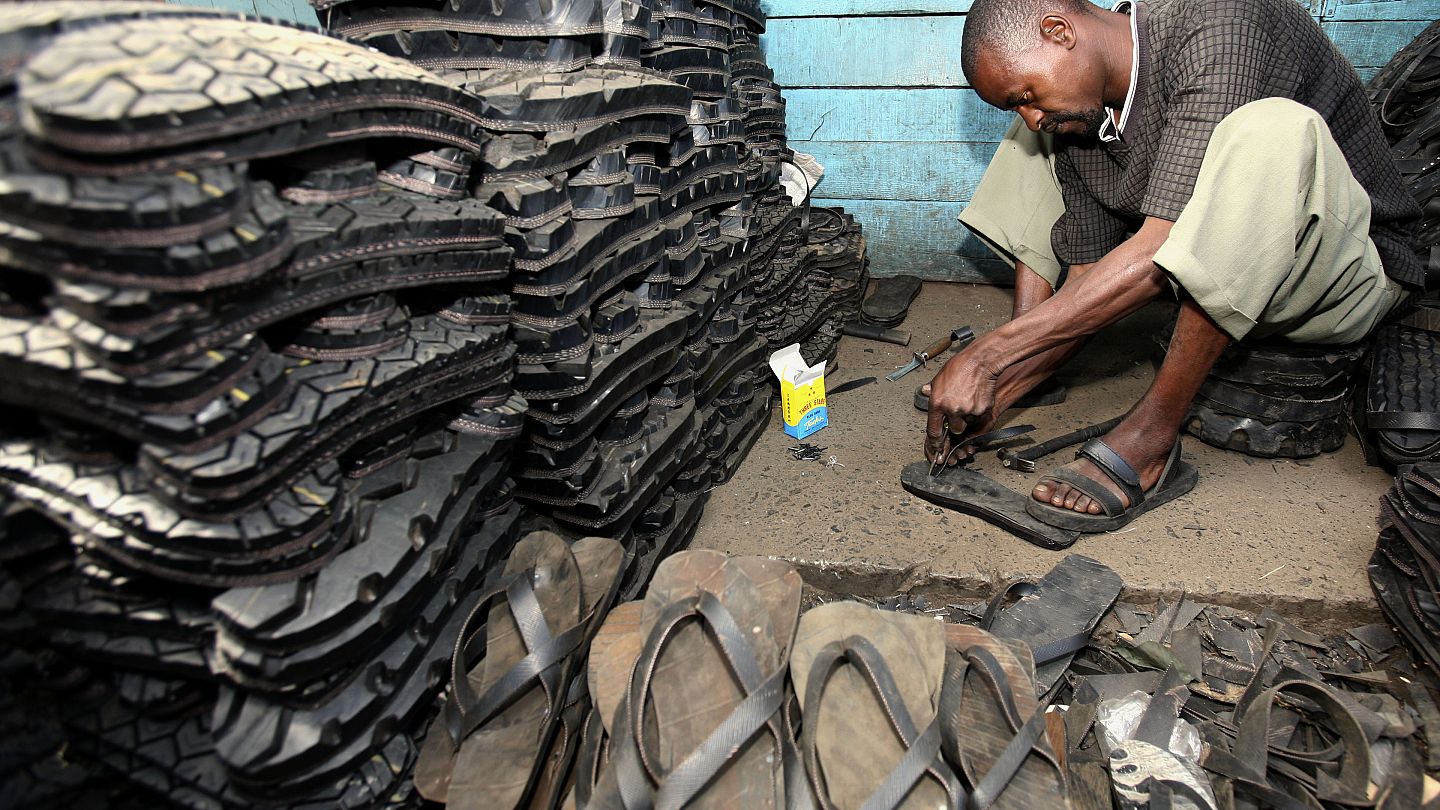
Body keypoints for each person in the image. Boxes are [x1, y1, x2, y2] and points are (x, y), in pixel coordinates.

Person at [924, 0, 1422, 530]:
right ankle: (1035, 372)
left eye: (1025, 95)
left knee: (1269, 129)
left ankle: (1152, 438)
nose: (1031, 113)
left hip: (1346, 274)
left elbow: (1161, 254)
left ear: (1058, 31)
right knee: (1037, 136)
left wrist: (988, 358)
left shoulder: (1222, 20)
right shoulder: (1090, 110)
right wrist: (1010, 382)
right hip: (1244, 281)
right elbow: (1089, 274)